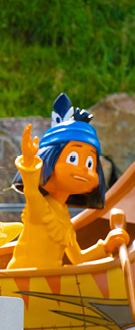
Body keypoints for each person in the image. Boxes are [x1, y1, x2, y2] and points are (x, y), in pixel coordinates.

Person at [8, 94, 128, 269]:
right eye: (73, 158)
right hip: (23, 280)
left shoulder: (64, 217)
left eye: (89, 163)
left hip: (49, 282)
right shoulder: (41, 207)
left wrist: (106, 246)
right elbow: (31, 190)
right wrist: (29, 161)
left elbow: (77, 259)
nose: (84, 170)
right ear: (48, 160)